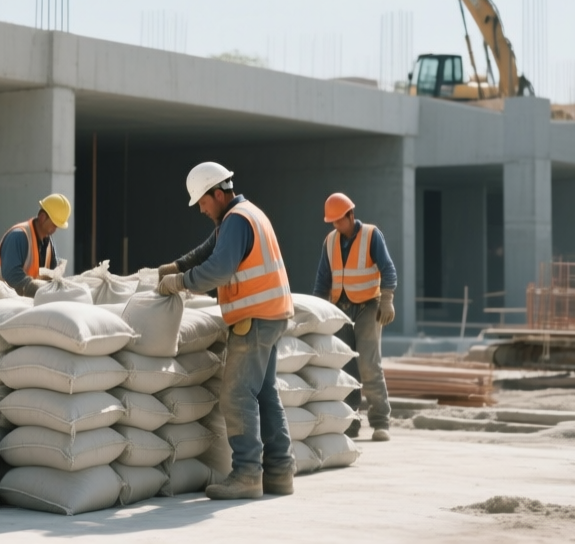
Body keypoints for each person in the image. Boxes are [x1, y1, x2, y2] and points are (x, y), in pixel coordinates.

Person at [157, 161, 295, 500]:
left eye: (202, 202)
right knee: (264, 393)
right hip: (272, 316)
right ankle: (279, 472)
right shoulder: (244, 215)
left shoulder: (236, 221)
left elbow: (218, 269)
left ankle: (247, 474)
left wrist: (179, 282)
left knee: (235, 395)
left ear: (218, 194)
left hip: (254, 320)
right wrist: (176, 266)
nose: (201, 209)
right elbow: (208, 251)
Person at [313, 192, 397, 442]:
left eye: (340, 220)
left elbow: (388, 268)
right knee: (346, 368)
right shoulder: (330, 241)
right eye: (333, 222)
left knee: (369, 366)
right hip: (341, 309)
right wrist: (319, 309)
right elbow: (322, 279)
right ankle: (350, 421)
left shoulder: (372, 235)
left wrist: (387, 299)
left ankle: (381, 420)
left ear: (351, 215)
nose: (337, 225)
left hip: (368, 307)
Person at [0, 193, 71, 297]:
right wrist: (38, 290)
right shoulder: (18, 236)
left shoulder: (48, 243)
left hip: (22, 302)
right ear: (42, 217)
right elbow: (12, 275)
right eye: (54, 224)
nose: (55, 229)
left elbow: (51, 275)